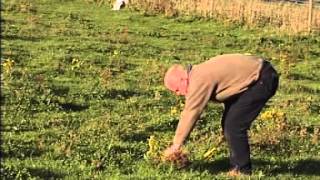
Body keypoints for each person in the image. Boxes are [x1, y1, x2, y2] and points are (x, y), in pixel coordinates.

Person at [162, 53, 279, 176]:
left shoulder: (198, 79)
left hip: (262, 79)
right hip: (258, 76)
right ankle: (237, 166)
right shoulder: (198, 73)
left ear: (182, 79)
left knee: (233, 125)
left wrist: (176, 145)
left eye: (176, 89)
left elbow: (191, 111)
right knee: (229, 123)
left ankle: (242, 171)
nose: (178, 94)